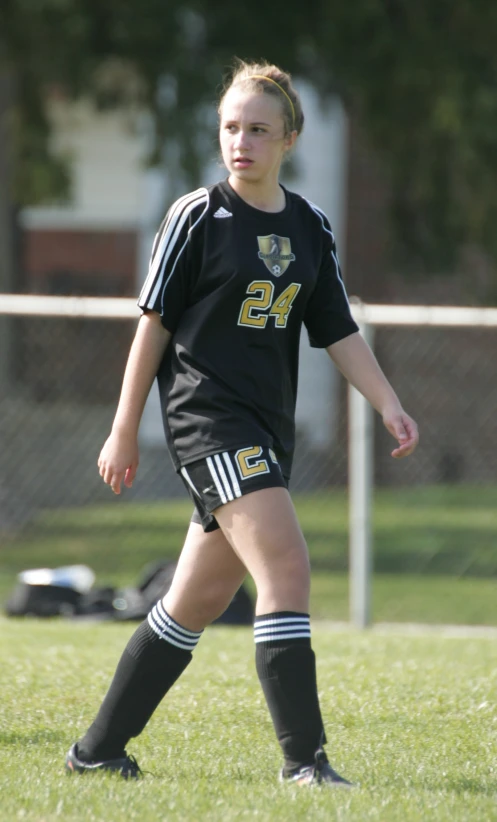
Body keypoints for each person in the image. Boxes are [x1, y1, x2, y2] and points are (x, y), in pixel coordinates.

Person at [65, 59, 418, 786]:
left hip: (264, 432)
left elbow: (337, 330)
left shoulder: (309, 226)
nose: (241, 142)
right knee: (285, 566)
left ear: (289, 137)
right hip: (209, 423)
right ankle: (304, 764)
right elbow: (153, 325)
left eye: (258, 129)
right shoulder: (198, 215)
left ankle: (96, 752)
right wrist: (123, 427)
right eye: (230, 127)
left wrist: (386, 401)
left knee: (193, 602)